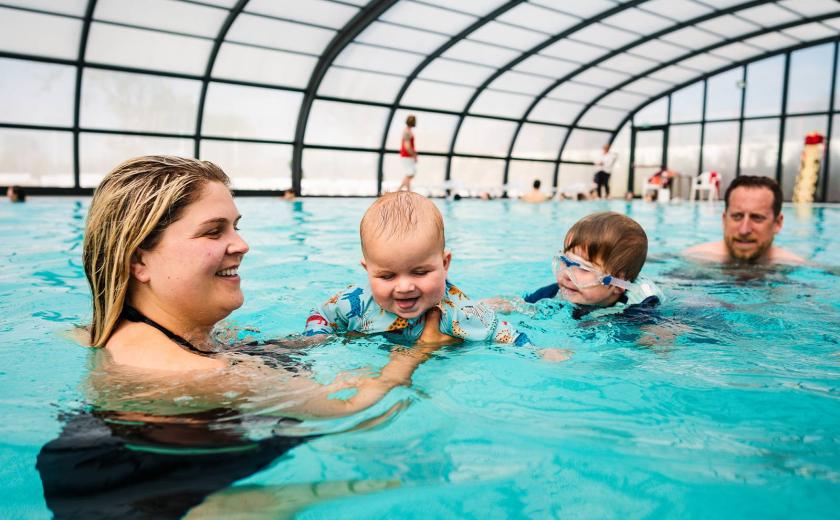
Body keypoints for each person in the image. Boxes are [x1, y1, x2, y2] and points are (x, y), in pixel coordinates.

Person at [37, 156, 448, 518]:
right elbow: (354, 407)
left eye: (235, 227)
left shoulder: (109, 334)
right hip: (165, 501)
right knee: (403, 483)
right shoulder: (199, 371)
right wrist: (421, 350)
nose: (242, 244)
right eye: (214, 231)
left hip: (152, 464)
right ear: (139, 260)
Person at [303, 191, 531, 346]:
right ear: (368, 271)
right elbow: (321, 314)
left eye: (420, 272)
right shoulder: (356, 301)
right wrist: (318, 339)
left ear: (444, 264)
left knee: (487, 307)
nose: (404, 287)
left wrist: (539, 352)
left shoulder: (460, 312)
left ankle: (500, 302)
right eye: (387, 276)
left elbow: (504, 333)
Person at [491, 212, 662, 319]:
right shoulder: (560, 290)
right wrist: (503, 306)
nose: (566, 275)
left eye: (583, 268)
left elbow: (656, 339)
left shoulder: (640, 306)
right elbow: (522, 305)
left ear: (617, 282)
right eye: (565, 262)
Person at [683, 175, 806, 265]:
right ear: (724, 220)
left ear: (777, 223)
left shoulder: (794, 266)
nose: (744, 230)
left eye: (757, 217)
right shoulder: (695, 260)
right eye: (737, 216)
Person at [397, 115, 418, 192]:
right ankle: (399, 190)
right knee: (410, 173)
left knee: (410, 173)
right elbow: (407, 146)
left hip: (407, 155)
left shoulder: (408, 131)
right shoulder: (407, 131)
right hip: (407, 155)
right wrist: (414, 155)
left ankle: (408, 191)